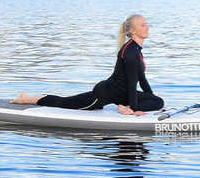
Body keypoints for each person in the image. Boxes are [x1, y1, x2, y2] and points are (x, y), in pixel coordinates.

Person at [14, 14, 165, 115]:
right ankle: (26, 99)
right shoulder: (130, 51)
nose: (147, 27)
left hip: (122, 94)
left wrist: (151, 99)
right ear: (133, 31)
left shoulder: (136, 49)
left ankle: (124, 106)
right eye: (143, 25)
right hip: (105, 93)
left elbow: (141, 79)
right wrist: (135, 108)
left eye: (147, 24)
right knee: (65, 102)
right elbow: (132, 83)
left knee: (158, 101)